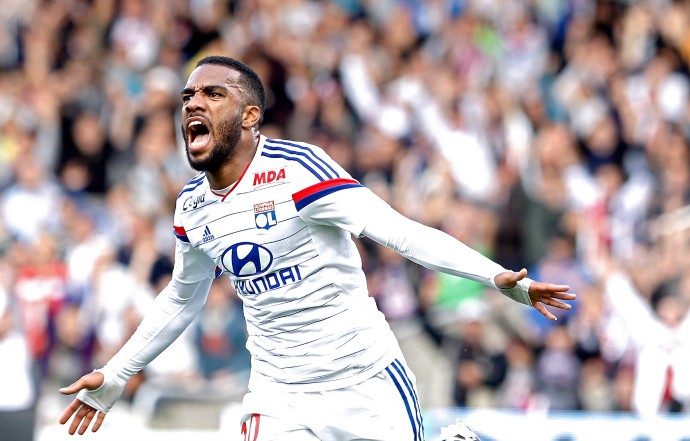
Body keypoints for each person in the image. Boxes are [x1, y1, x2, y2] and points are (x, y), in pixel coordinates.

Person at [58, 55, 576, 440]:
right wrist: (118, 372)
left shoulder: (299, 170)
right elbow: (182, 298)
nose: (193, 102)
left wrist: (496, 276)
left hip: (363, 378)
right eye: (188, 97)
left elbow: (397, 230)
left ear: (250, 116)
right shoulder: (192, 208)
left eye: (213, 94)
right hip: (279, 396)